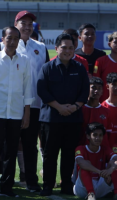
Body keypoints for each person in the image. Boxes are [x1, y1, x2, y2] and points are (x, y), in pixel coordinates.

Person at [0, 10, 50, 193]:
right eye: (23, 23)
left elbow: (45, 77)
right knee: (8, 146)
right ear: (15, 24)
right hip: (10, 105)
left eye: (29, 24)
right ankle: (6, 183)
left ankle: (32, 182)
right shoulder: (7, 44)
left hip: (33, 105)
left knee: (30, 146)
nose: (27, 27)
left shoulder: (41, 47)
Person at [0, 26, 33, 198]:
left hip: (16, 113)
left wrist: (27, 113)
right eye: (9, 38)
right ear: (3, 39)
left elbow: (27, 90)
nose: (12, 41)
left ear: (19, 41)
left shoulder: (24, 60)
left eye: (15, 38)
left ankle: (6, 189)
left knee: (11, 151)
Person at [37, 33, 89, 196]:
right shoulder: (47, 67)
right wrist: (59, 107)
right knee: (49, 154)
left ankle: (67, 184)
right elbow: (42, 91)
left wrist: (74, 107)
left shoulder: (79, 68)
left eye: (71, 48)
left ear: (75, 49)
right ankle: (48, 185)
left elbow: (85, 91)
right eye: (64, 47)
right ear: (56, 48)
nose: (67, 51)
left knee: (69, 155)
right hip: (51, 119)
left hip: (73, 119)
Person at [74, 122, 117, 200]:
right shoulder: (81, 148)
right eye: (95, 135)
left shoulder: (105, 149)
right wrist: (99, 171)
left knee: (114, 164)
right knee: (86, 164)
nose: (98, 138)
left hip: (100, 185)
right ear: (88, 136)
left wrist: (111, 170)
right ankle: (90, 194)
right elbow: (81, 163)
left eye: (100, 135)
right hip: (82, 188)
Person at [93, 32, 117, 103]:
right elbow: (96, 83)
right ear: (109, 44)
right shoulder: (100, 61)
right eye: (115, 42)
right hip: (103, 102)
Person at [80, 77, 109, 146]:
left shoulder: (107, 111)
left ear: (102, 91)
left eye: (99, 88)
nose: (96, 91)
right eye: (93, 88)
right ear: (87, 89)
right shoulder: (80, 110)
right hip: (82, 150)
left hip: (100, 151)